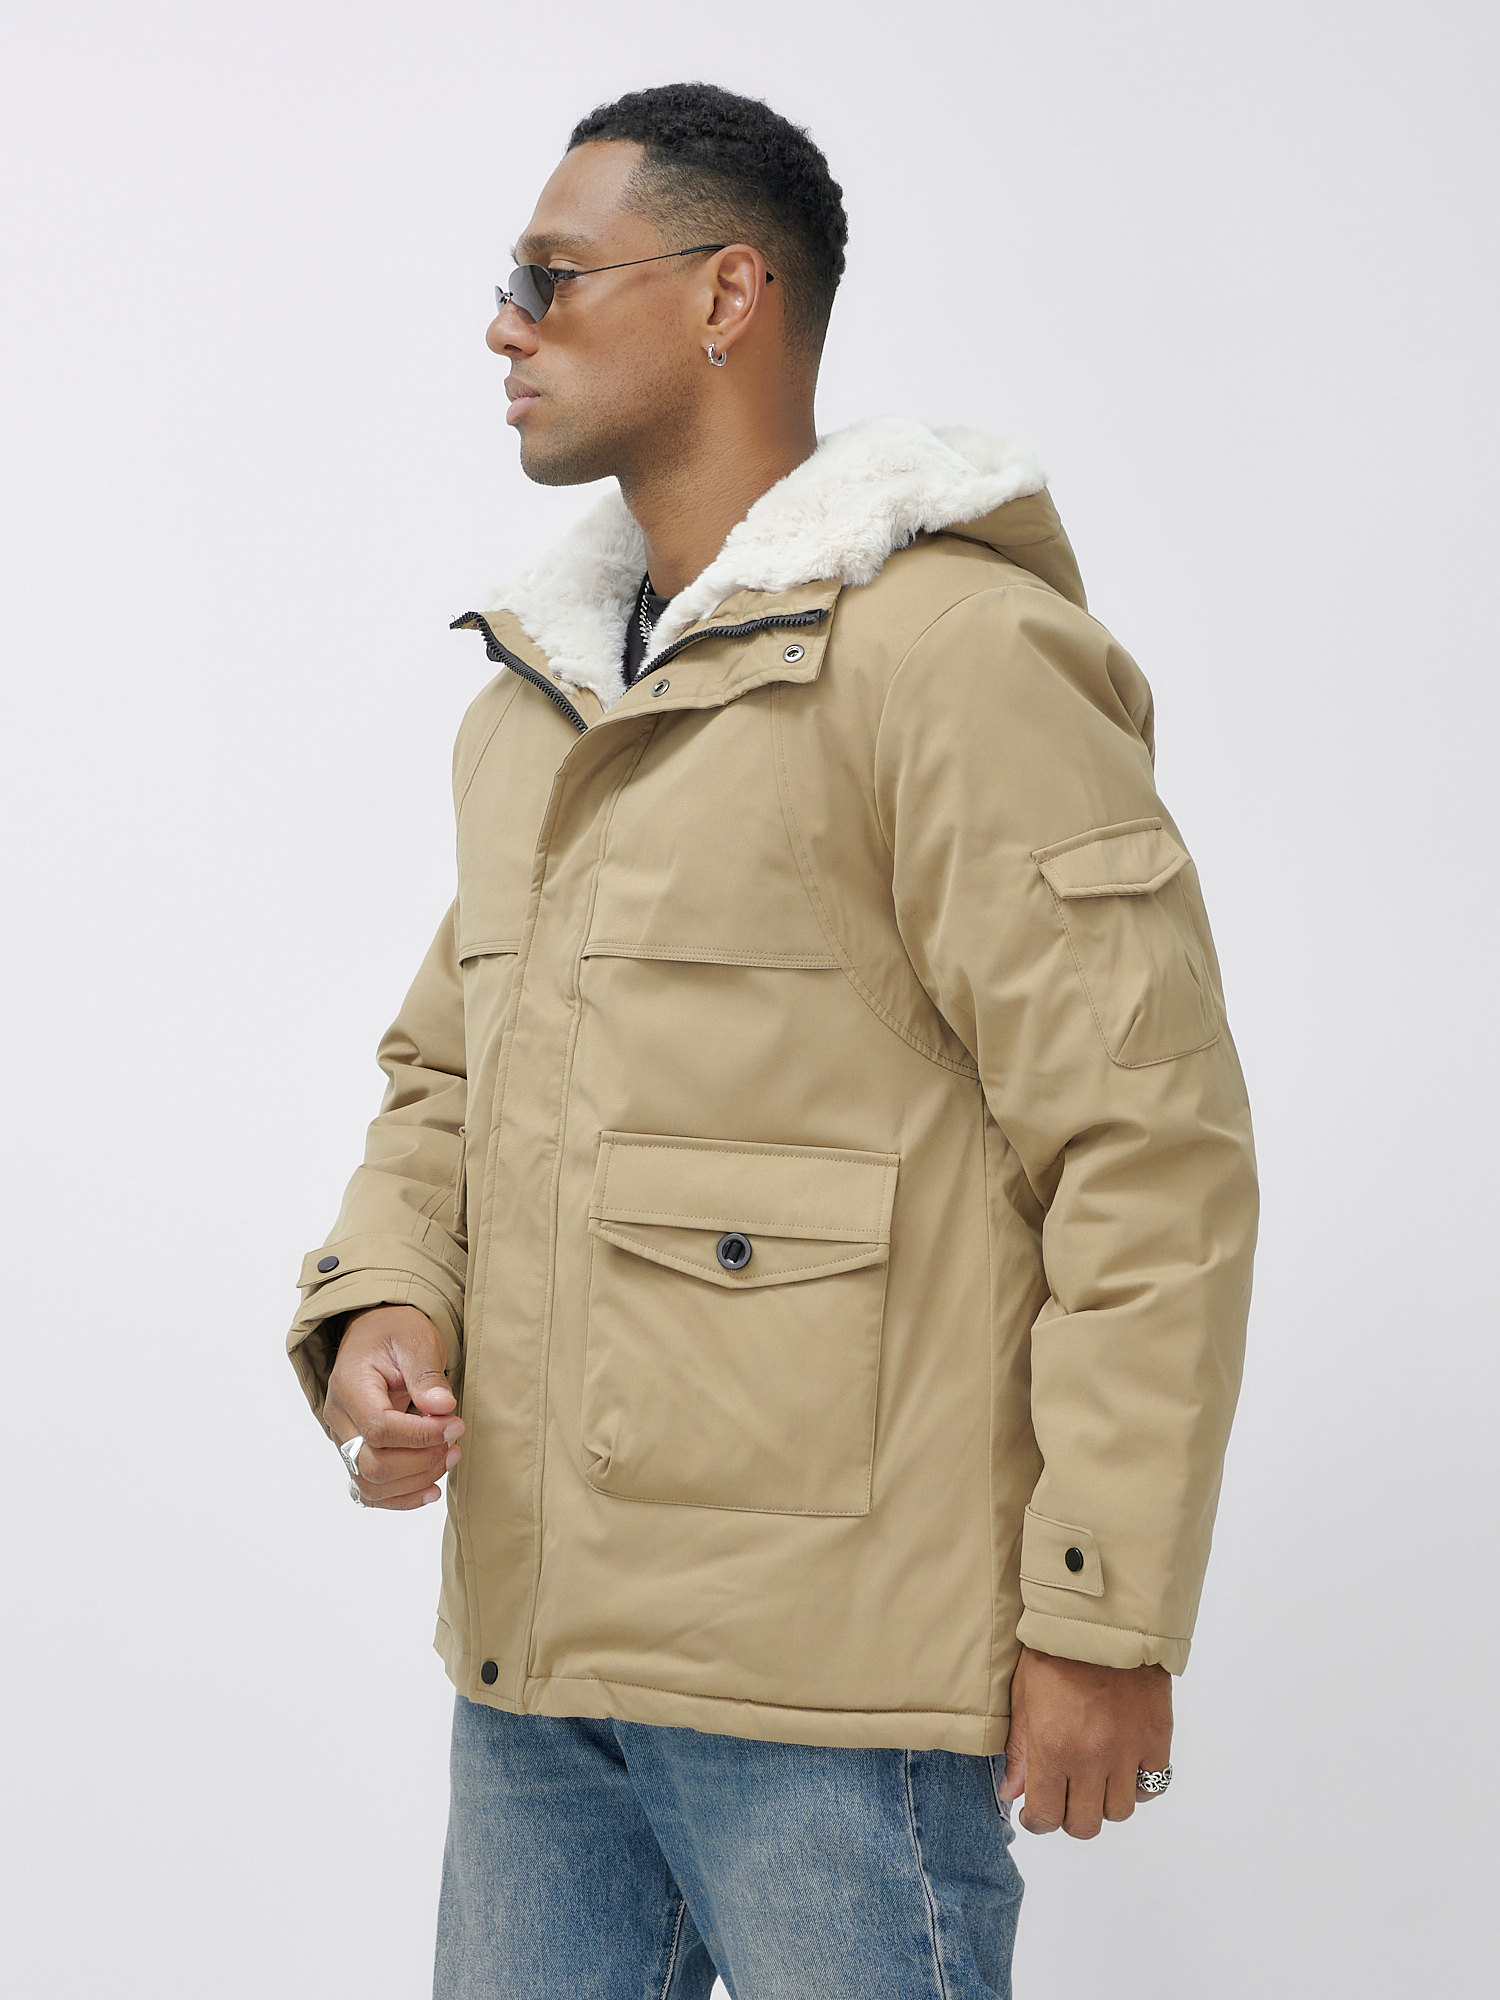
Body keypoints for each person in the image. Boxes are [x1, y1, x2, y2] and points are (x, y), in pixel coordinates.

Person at [287, 81, 1258, 2000]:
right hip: (540, 1677)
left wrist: (1102, 1611)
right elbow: (447, 1077)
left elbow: (1147, 1149)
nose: (502, 325)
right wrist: (384, 1306)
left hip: (837, 1696)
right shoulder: (539, 703)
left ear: (729, 294)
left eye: (549, 279)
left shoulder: (955, 660)